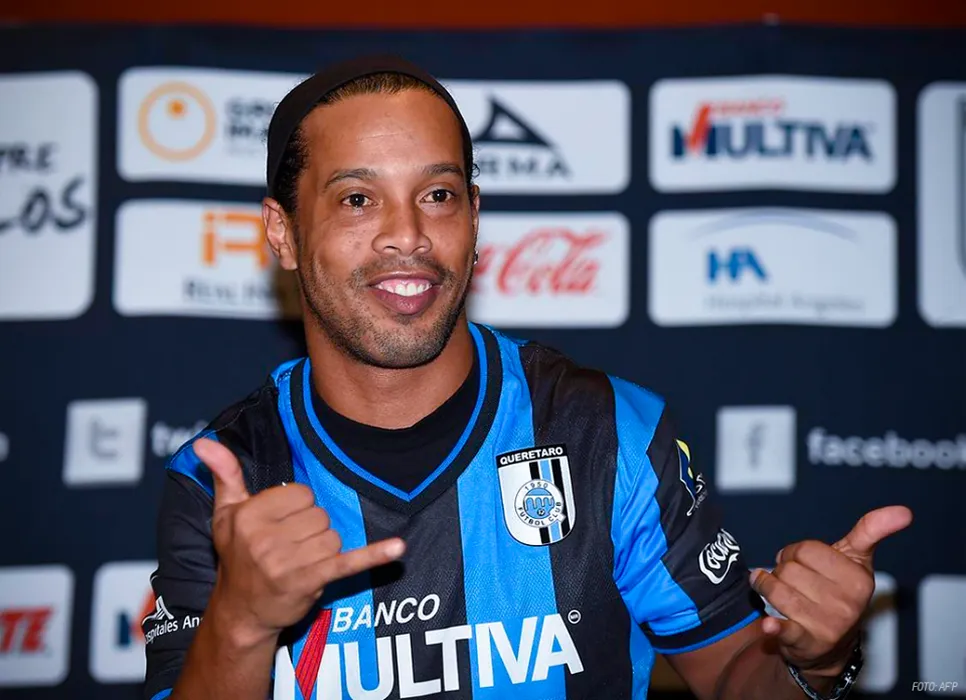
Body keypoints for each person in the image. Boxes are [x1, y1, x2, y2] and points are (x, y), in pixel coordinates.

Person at [142, 55, 912, 700]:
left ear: (474, 217)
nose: (408, 235)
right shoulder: (222, 479)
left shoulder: (608, 433)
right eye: (357, 199)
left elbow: (743, 674)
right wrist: (242, 622)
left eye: (438, 195)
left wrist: (817, 662)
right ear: (282, 232)